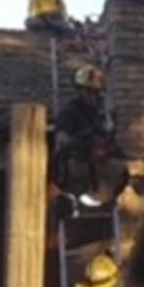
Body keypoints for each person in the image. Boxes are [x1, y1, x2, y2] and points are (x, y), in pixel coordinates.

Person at [51, 64, 128, 216]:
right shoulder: (69, 113)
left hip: (101, 166)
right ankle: (71, 200)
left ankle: (108, 198)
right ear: (79, 91)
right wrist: (82, 140)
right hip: (77, 163)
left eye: (95, 92)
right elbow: (62, 140)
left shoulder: (101, 115)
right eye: (87, 91)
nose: (91, 96)